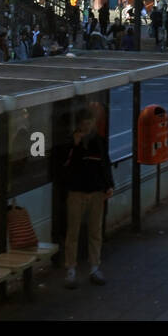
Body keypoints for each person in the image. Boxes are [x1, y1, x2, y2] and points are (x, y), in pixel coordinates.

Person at [60, 108, 114, 288]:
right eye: (85, 122)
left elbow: (105, 163)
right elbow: (62, 165)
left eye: (91, 121)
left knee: (95, 231)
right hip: (76, 191)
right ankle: (71, 268)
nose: (88, 125)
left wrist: (108, 185)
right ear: (80, 123)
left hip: (96, 191)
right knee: (73, 231)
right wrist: (74, 145)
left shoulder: (98, 141)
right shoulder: (71, 142)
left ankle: (94, 266)